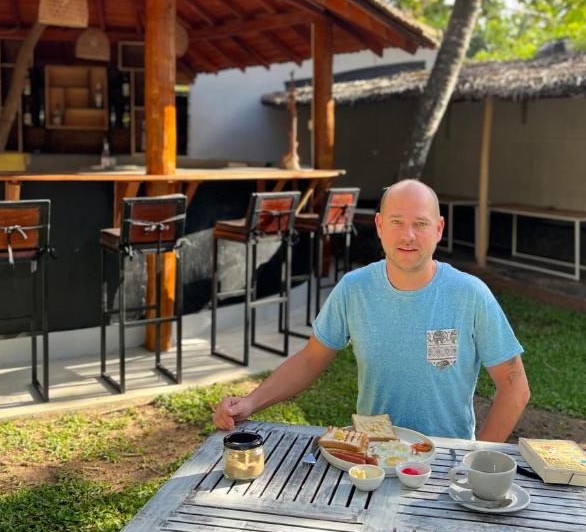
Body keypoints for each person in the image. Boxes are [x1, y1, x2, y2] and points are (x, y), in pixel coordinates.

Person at [213, 179, 530, 440]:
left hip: (446, 462)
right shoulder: (354, 289)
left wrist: (475, 460)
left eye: (420, 224)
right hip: (372, 456)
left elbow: (515, 386)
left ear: (439, 229)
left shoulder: (469, 294)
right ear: (379, 225)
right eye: (396, 222)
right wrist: (250, 403)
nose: (408, 235)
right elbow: (310, 360)